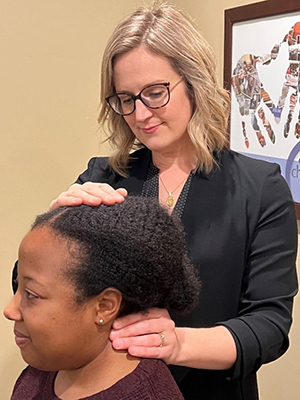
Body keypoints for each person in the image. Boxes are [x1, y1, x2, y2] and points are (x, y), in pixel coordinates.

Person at [14, 2, 298, 399]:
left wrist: (178, 343)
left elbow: (268, 325)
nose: (140, 113)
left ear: (194, 81)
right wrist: (55, 222)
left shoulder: (259, 189)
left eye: (155, 93)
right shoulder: (102, 177)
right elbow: (32, 285)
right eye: (125, 99)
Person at [5, 196, 200, 399]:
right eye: (18, 287)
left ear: (105, 306)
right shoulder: (44, 369)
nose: (9, 310)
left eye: (31, 294)